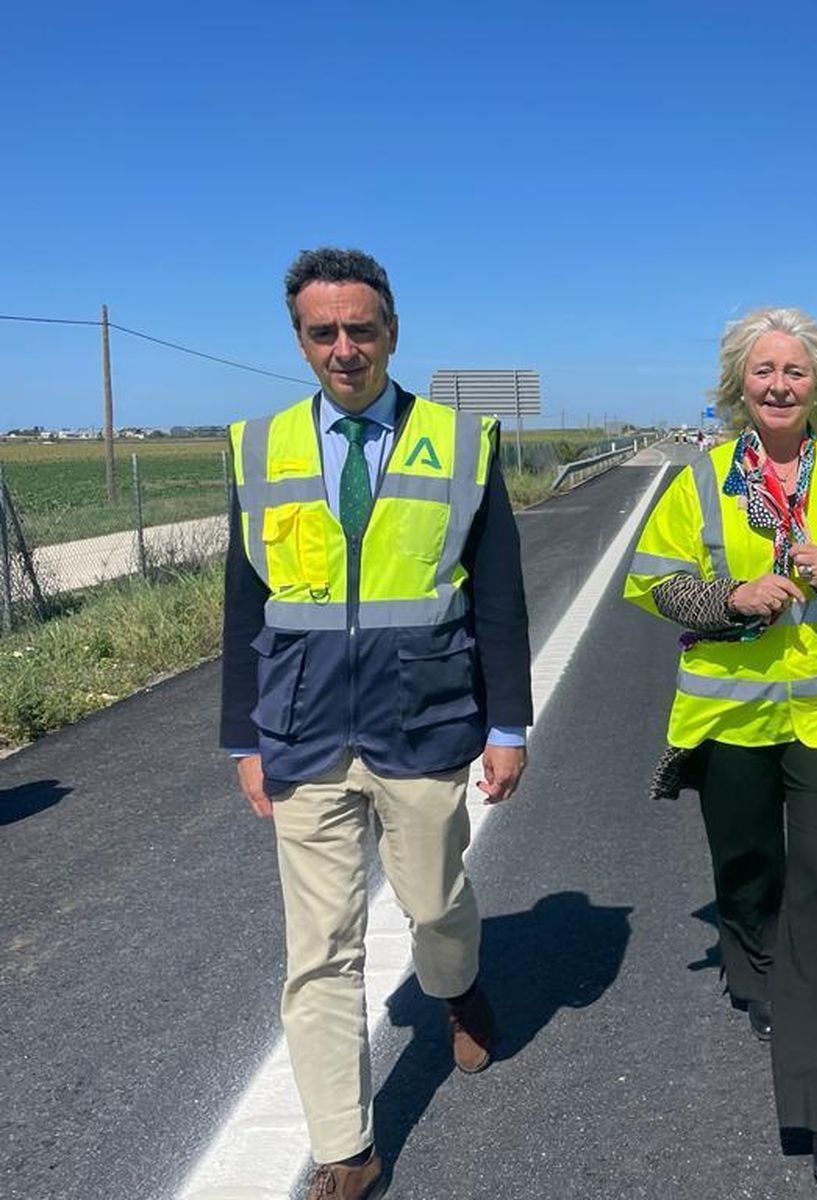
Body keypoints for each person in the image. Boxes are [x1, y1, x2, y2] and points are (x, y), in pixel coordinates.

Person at [220, 248, 532, 1200]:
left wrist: (508, 725)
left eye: (361, 329)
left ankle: (454, 986)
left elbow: (501, 600)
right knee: (319, 950)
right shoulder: (257, 446)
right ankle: (346, 1146)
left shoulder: (460, 442)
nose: (345, 349)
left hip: (425, 722)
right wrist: (242, 737)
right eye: (325, 333)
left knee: (435, 902)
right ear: (301, 341)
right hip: (303, 730)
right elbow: (243, 605)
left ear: (392, 331)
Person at [622, 307, 817, 1193]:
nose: (778, 385)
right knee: (747, 868)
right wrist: (731, 597)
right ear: (739, 385)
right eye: (763, 371)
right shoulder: (700, 481)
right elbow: (653, 583)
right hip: (731, 719)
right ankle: (750, 956)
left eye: (795, 372)